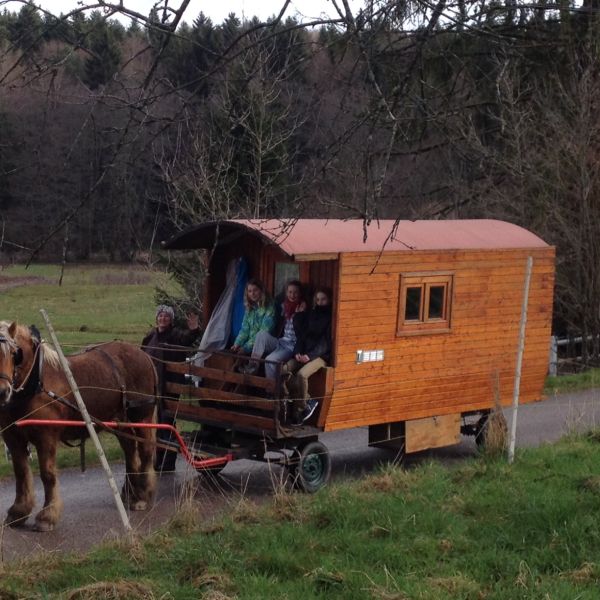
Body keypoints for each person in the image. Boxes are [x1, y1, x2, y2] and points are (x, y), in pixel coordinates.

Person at [142, 304, 201, 472]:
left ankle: (168, 462)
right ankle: (157, 459)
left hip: (170, 387)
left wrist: (194, 330)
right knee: (156, 423)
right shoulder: (151, 336)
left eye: (166, 316)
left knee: (167, 422)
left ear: (171, 320)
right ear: (156, 318)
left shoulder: (175, 335)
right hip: (153, 387)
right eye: (160, 316)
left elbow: (187, 338)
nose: (163, 318)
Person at [240, 280, 306, 380]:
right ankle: (253, 366)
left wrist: (300, 315)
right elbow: (274, 302)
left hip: (291, 347)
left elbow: (303, 333)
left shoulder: (303, 309)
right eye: (290, 292)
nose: (292, 295)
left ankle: (271, 392)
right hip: (280, 341)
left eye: (295, 292)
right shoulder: (285, 306)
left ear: (300, 293)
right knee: (261, 334)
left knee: (270, 360)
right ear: (286, 293)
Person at [287, 288, 332, 425]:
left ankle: (304, 405)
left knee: (301, 374)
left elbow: (325, 343)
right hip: (305, 353)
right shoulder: (311, 314)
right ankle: (290, 403)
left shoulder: (331, 317)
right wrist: (298, 352)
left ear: (329, 300)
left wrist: (309, 356)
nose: (320, 302)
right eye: (317, 299)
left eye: (323, 299)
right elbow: (301, 335)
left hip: (321, 356)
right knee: (283, 369)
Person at [230, 279, 276, 355]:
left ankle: (253, 365)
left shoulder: (270, 306)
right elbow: (244, 329)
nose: (252, 294)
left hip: (267, 344)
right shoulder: (249, 308)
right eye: (250, 291)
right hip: (251, 344)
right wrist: (237, 344)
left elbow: (265, 330)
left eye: (255, 290)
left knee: (261, 335)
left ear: (261, 291)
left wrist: (246, 347)